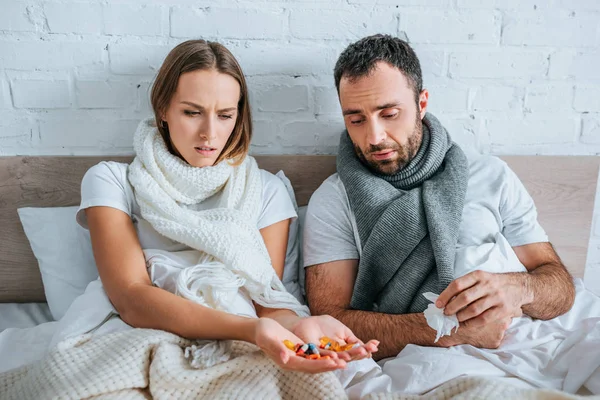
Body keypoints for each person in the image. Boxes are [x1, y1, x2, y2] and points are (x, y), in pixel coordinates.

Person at [302, 34, 592, 396]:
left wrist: (518, 287)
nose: (374, 137)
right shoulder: (334, 200)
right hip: (437, 361)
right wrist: (450, 330)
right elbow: (329, 324)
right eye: (356, 119)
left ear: (422, 103)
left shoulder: (490, 175)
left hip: (536, 340)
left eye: (389, 114)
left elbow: (561, 289)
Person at [78, 39, 378, 374]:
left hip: (247, 339)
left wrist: (302, 330)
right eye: (192, 113)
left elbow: (265, 303)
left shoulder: (265, 190)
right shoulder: (112, 181)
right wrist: (248, 330)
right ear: (162, 108)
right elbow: (131, 298)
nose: (209, 133)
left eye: (224, 115)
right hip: (139, 337)